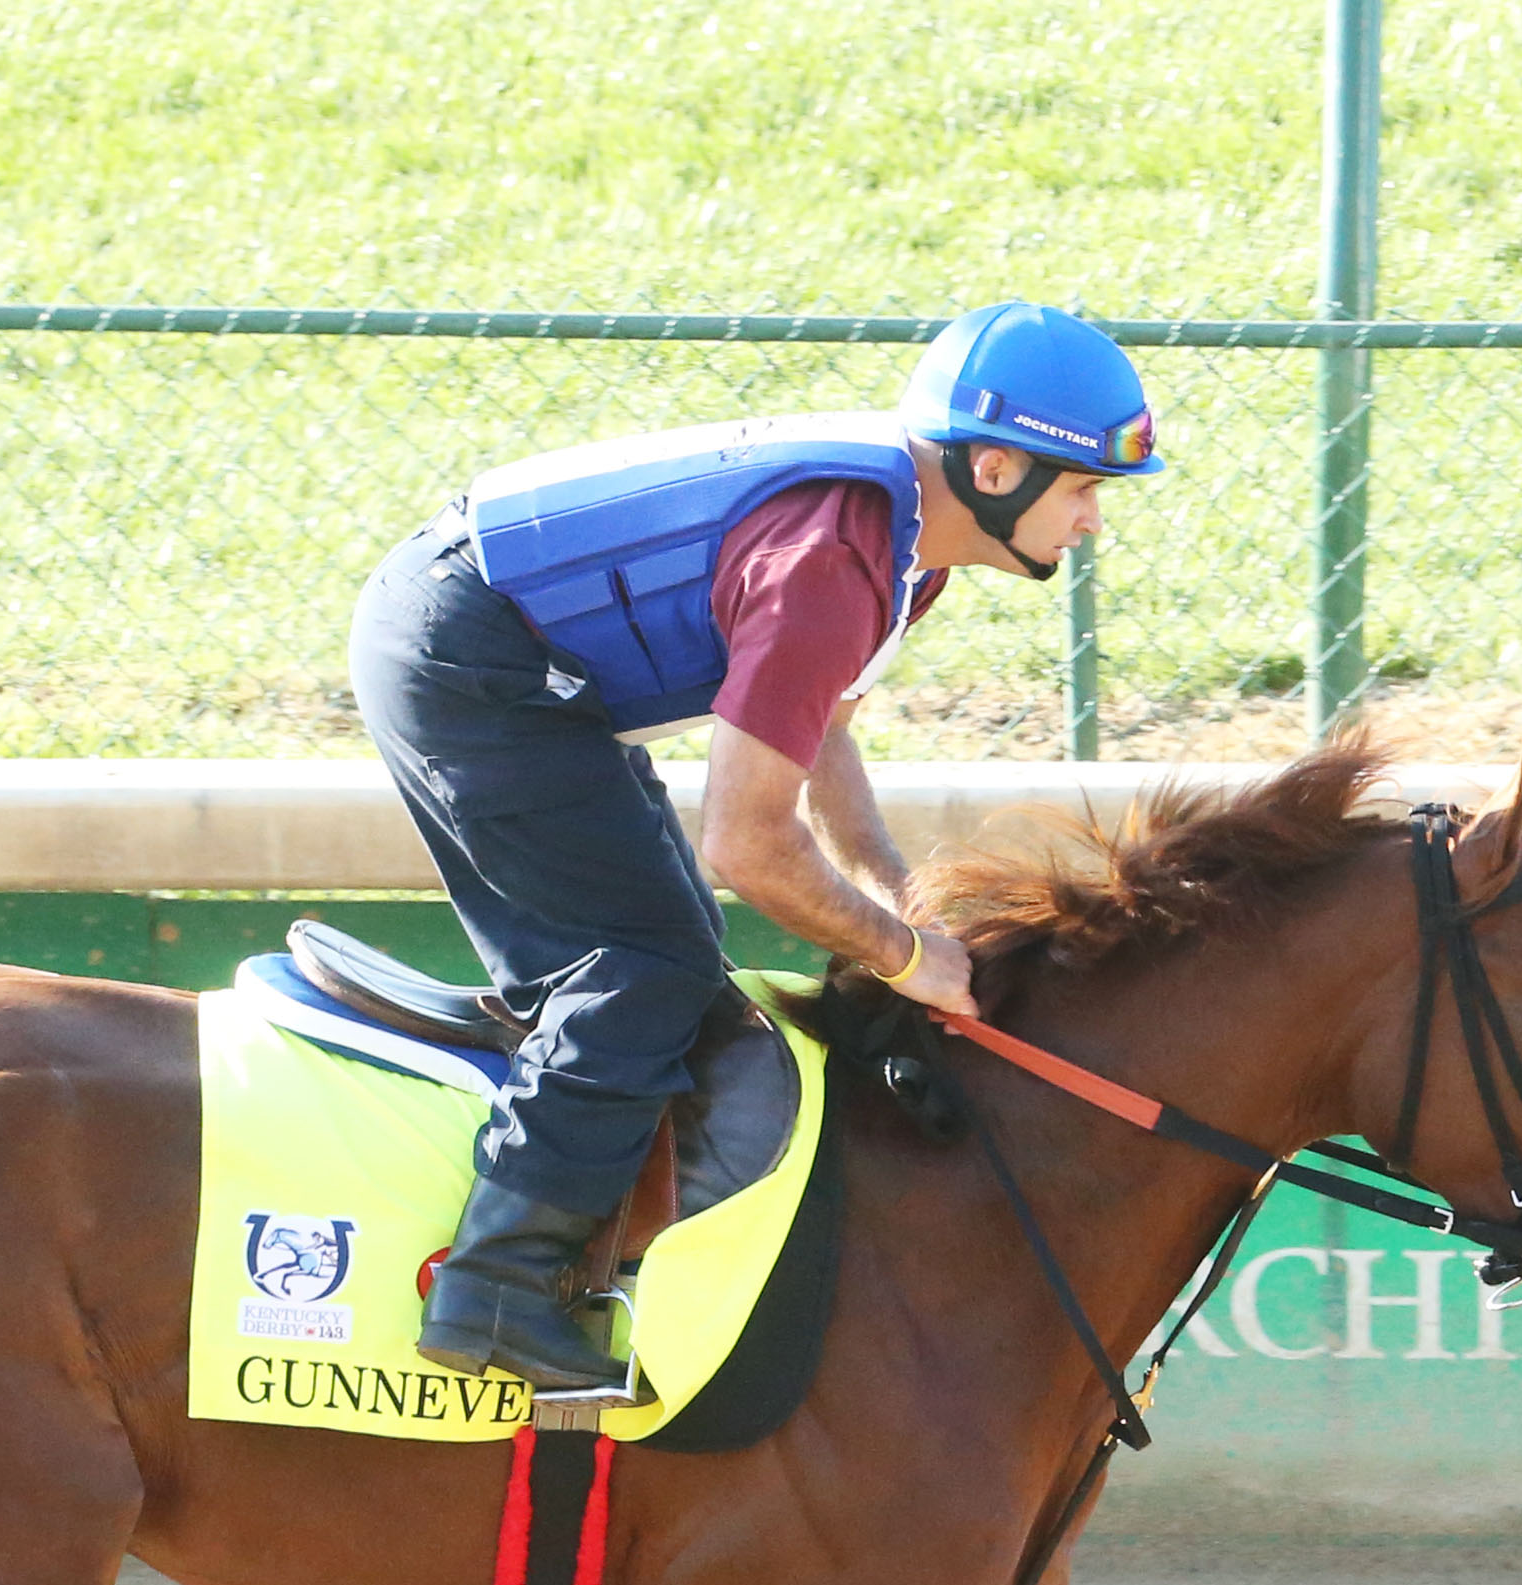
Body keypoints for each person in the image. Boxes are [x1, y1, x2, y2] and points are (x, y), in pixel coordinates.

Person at [349, 299, 1164, 1393]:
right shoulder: (833, 561)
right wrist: (899, 954)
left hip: (509, 648)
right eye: (1084, 489)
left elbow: (819, 733)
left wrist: (894, 893)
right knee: (642, 969)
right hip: (467, 657)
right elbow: (749, 844)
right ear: (1000, 472)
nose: (1094, 524)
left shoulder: (907, 548)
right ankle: (494, 1286)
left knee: (668, 952)